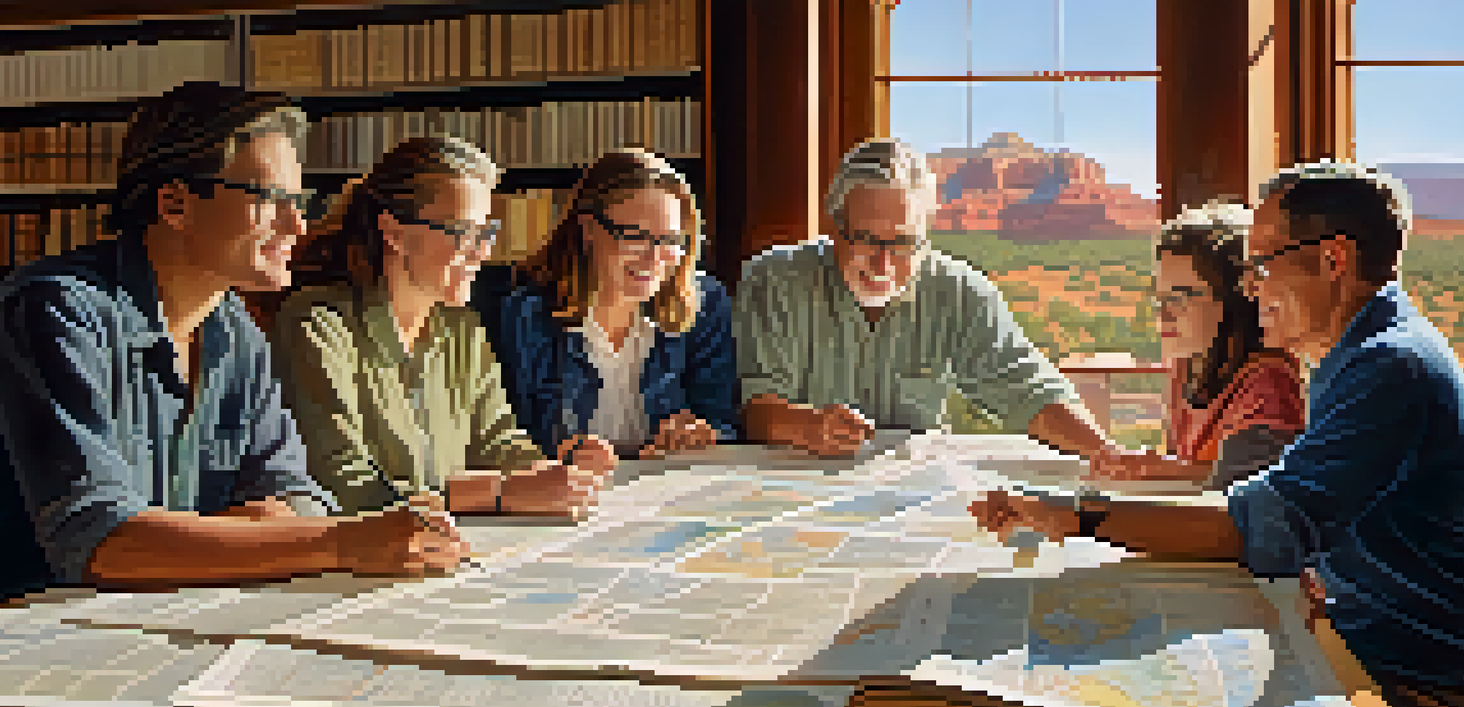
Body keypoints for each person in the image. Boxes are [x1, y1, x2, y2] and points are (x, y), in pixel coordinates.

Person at [969, 161, 1464, 707]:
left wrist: (1077, 516)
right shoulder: (1358, 353)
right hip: (1378, 648)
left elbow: (1259, 526)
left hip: (1430, 693)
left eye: (1263, 262)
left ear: (1333, 260)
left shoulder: (1389, 367)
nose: (1251, 285)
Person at [0, 82, 465, 620]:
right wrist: (339, 543)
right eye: (269, 199)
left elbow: (292, 496)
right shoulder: (54, 310)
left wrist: (186, 540)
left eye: (299, 201)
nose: (298, 226)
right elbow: (100, 542)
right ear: (175, 203)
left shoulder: (233, 325)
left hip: (144, 617)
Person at [273, 137, 614, 517]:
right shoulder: (317, 323)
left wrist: (557, 473)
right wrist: (497, 494)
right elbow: (340, 485)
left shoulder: (461, 327)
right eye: (463, 232)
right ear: (394, 231)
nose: (483, 251)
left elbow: (498, 442)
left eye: (487, 232)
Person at [734, 137, 1116, 458]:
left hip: (914, 489)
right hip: (796, 481)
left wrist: (1107, 455)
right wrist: (811, 428)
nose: (882, 263)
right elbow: (755, 409)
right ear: (835, 228)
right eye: (866, 239)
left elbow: (1034, 395)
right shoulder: (773, 280)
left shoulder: (960, 290)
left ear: (924, 237)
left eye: (902, 243)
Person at [494, 148, 738, 460]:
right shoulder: (525, 316)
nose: (653, 258)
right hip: (567, 494)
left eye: (671, 241)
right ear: (589, 229)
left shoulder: (705, 303)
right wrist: (565, 457)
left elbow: (722, 421)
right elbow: (508, 442)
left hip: (667, 489)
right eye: (635, 236)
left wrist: (699, 436)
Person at [1088, 201, 1305, 490]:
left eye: (1180, 298)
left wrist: (1156, 467)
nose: (1163, 313)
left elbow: (1251, 482)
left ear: (1236, 300)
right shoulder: (1188, 365)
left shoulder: (1268, 385)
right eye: (1159, 298)